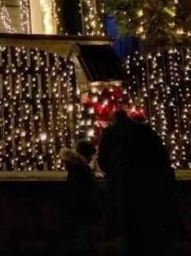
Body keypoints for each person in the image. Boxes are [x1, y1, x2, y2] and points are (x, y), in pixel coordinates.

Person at [97, 109, 181, 255]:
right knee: (146, 221)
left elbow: (103, 158)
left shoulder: (110, 132)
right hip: (146, 181)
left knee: (127, 222)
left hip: (122, 182)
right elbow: (160, 154)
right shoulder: (144, 131)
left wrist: (113, 173)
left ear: (114, 120)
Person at [59, 138, 101, 251]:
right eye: (90, 157)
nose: (92, 160)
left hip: (76, 212)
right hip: (83, 213)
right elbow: (84, 193)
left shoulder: (75, 169)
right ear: (86, 156)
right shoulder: (82, 171)